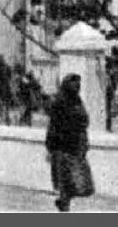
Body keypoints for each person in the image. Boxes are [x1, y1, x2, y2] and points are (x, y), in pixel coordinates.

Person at [46, 73, 95, 212]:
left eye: (78, 85)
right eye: (74, 84)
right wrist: (50, 148)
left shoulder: (77, 101)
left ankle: (63, 202)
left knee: (81, 185)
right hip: (63, 148)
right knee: (67, 181)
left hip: (75, 147)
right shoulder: (59, 102)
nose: (77, 87)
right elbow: (53, 126)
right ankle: (64, 204)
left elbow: (85, 121)